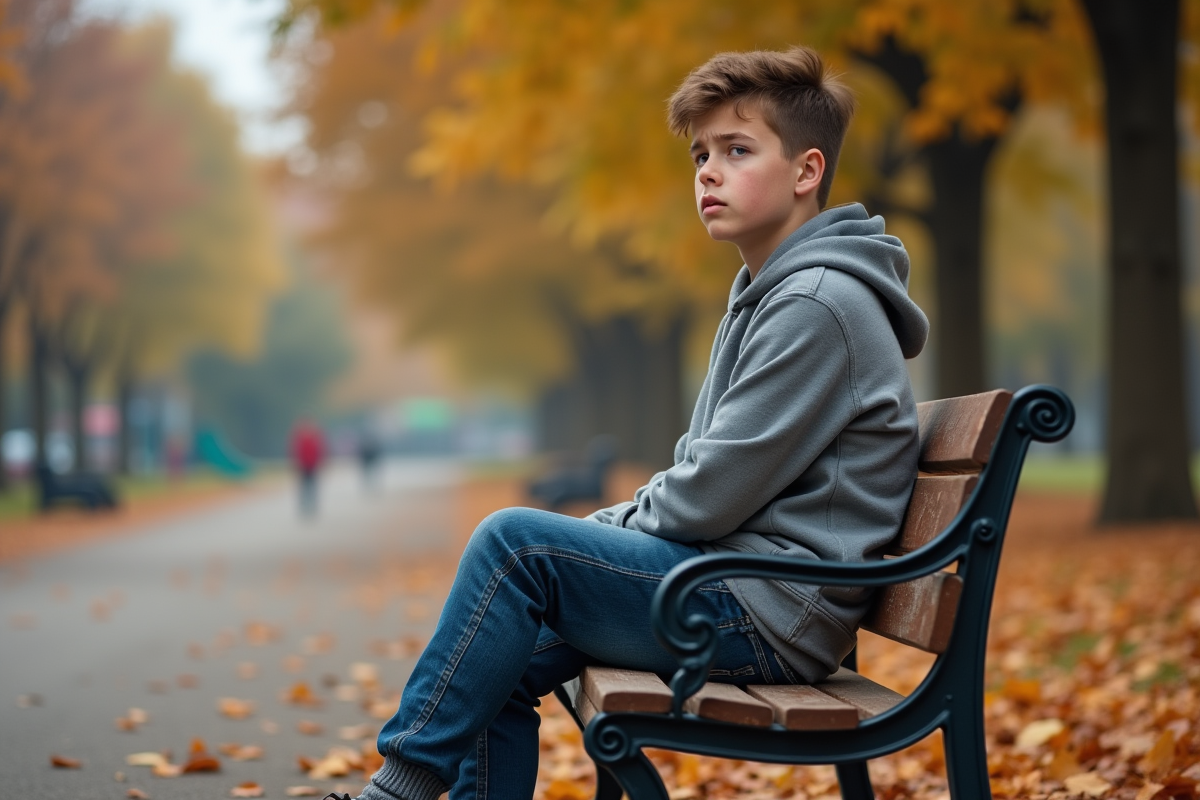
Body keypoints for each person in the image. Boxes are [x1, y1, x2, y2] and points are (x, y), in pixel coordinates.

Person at [336, 45, 929, 800]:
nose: (707, 173)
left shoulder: (815, 303)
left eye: (736, 150)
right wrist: (617, 524)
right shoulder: (770, 293)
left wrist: (609, 524)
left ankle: (397, 791)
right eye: (700, 155)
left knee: (512, 544)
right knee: (494, 655)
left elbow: (708, 494)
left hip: (768, 612)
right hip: (737, 587)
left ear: (808, 171)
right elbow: (701, 469)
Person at [290, 419, 325, 518]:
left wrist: (320, 462)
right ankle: (304, 505)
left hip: (312, 465)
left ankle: (312, 504)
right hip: (303, 465)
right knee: (304, 487)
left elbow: (319, 451)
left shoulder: (314, 437)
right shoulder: (300, 437)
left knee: (312, 486)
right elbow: (296, 452)